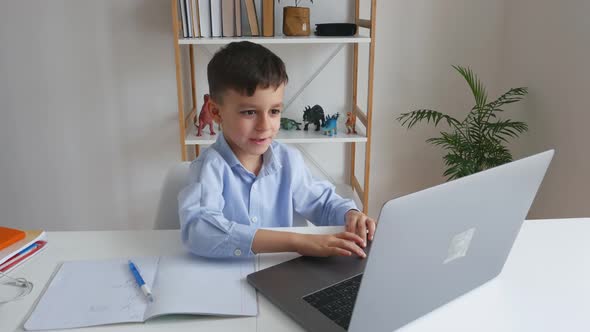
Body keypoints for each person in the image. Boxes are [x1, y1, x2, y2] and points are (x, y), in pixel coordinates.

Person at [178, 41, 376, 259]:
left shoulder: (289, 160)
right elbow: (198, 230)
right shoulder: (207, 168)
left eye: (274, 111)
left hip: (284, 275)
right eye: (249, 112)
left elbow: (323, 203)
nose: (265, 126)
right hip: (227, 279)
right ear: (215, 112)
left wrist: (351, 214)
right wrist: (298, 242)